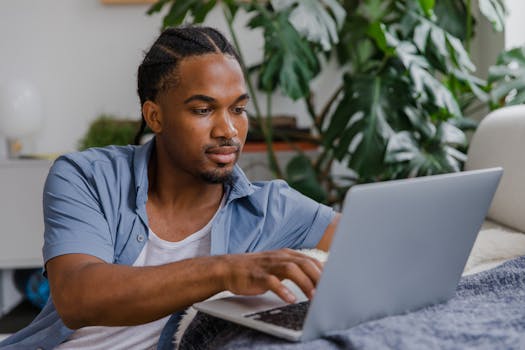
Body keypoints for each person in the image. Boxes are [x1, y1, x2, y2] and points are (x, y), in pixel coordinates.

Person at [0, 25, 340, 350]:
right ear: (154, 116)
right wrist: (227, 269)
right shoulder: (87, 176)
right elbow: (78, 297)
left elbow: (368, 248)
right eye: (204, 109)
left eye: (238, 109)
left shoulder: (273, 208)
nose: (228, 130)